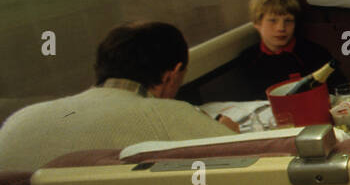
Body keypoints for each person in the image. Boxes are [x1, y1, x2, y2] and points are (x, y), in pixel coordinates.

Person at [0, 21, 236, 171]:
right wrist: (230, 133)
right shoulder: (168, 116)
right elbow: (241, 161)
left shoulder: (19, 119)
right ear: (172, 75)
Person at [234, 0, 341, 99]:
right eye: (273, 21)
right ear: (257, 23)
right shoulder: (248, 59)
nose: (281, 28)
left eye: (288, 21)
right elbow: (246, 102)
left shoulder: (315, 53)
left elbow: (340, 91)